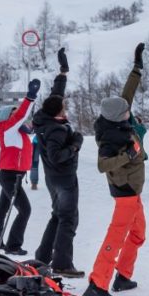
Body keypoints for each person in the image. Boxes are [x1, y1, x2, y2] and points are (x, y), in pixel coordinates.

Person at [84, 44, 148, 296]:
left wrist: (137, 68)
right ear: (117, 118)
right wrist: (130, 155)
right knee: (116, 236)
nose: (129, 112)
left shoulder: (119, 118)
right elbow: (102, 165)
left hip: (134, 189)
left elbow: (126, 95)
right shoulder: (110, 137)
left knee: (138, 234)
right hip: (124, 191)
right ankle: (97, 284)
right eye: (126, 112)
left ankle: (123, 275)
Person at [32, 48, 85, 278]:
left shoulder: (44, 118)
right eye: (63, 107)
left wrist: (62, 73)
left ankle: (42, 257)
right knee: (69, 219)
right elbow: (56, 155)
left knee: (58, 215)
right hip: (63, 178)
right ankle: (62, 263)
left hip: (53, 178)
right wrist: (74, 145)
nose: (65, 107)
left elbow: (55, 97)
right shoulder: (55, 129)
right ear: (58, 112)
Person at [0, 79, 41, 255]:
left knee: (2, 208)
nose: (20, 117)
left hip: (12, 175)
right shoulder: (8, 128)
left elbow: (27, 125)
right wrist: (30, 97)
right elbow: (21, 115)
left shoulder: (16, 133)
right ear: (9, 117)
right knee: (25, 210)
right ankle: (14, 246)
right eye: (15, 114)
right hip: (11, 176)